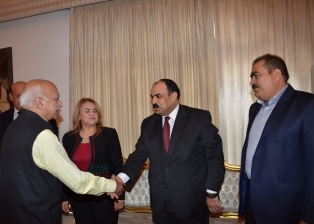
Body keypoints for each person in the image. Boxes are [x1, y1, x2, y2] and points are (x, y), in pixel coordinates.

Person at [0, 79, 123, 224]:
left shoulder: (12, 127)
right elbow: (77, 181)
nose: (60, 104)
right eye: (56, 99)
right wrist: (112, 185)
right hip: (36, 214)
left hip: (11, 214)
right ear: (39, 102)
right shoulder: (43, 136)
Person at [113, 79, 225, 223]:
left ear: (173, 96)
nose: (153, 101)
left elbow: (215, 157)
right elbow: (138, 155)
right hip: (161, 205)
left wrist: (211, 192)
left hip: (191, 204)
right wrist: (120, 179)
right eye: (152, 97)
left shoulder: (198, 118)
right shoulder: (148, 124)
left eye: (158, 96)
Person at [238, 54, 314, 224]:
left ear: (276, 75)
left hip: (287, 209)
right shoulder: (254, 109)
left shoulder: (307, 105)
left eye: (256, 75)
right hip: (254, 204)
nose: (252, 82)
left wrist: (309, 216)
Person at [61, 98, 124, 224]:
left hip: (105, 195)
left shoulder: (109, 134)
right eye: (87, 111)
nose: (92, 114)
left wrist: (120, 196)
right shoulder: (69, 138)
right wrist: (64, 197)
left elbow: (118, 165)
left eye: (95, 111)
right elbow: (65, 169)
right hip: (78, 196)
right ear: (79, 116)